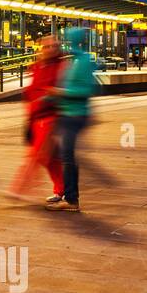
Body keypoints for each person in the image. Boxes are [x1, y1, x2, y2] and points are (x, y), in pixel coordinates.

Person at [5, 36, 63, 202]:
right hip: (35, 117)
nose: (50, 49)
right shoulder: (37, 66)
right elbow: (32, 90)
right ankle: (61, 189)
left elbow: (61, 90)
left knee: (36, 155)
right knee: (50, 158)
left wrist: (47, 97)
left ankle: (18, 188)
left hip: (51, 117)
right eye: (46, 47)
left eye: (53, 46)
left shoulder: (62, 67)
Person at [50, 27, 98, 213]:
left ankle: (71, 200)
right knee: (64, 155)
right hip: (67, 113)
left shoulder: (83, 61)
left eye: (69, 40)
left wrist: (62, 92)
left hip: (76, 114)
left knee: (68, 157)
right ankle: (66, 194)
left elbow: (86, 90)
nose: (65, 43)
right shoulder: (74, 60)